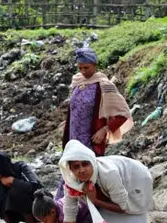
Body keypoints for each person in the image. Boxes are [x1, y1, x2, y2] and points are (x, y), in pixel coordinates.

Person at [56, 46, 133, 199]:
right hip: (73, 138)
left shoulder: (103, 85)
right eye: (80, 68)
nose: (83, 71)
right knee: (72, 170)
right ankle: (67, 205)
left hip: (90, 139)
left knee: (88, 171)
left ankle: (94, 204)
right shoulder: (77, 82)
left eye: (86, 67)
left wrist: (105, 129)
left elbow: (122, 113)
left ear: (95, 65)